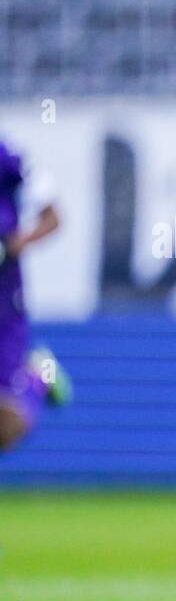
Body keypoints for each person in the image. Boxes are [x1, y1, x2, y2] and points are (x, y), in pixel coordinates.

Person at [0, 139, 69, 452]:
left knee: (9, 426)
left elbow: (53, 216)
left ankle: (36, 377)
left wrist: (17, 243)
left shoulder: (9, 159)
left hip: (5, 304)